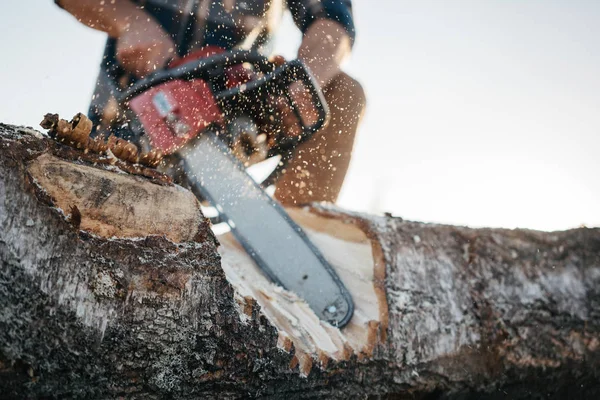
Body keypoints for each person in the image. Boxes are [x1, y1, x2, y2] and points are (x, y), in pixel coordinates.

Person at [56, 0, 365, 206]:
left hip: (232, 119)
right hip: (127, 125)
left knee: (343, 93)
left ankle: (298, 236)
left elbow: (332, 22)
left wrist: (301, 80)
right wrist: (127, 20)